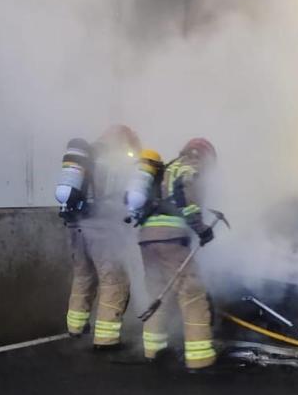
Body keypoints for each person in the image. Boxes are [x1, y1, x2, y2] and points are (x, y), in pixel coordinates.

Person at [137, 137, 218, 369]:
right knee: (191, 293)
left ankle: (153, 350)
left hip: (146, 239)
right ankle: (200, 358)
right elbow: (187, 199)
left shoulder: (165, 168)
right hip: (171, 237)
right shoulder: (190, 168)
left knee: (157, 292)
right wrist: (200, 228)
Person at [58, 125, 141, 349]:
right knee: (113, 280)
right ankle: (106, 339)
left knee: (83, 277)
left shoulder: (86, 158)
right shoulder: (113, 160)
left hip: (75, 226)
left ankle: (75, 328)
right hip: (100, 228)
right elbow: (120, 198)